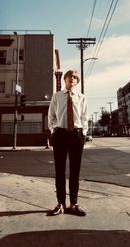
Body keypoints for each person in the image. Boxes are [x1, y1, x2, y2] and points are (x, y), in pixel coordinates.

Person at [48, 70, 88, 216]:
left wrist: (83, 133)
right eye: (69, 76)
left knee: (75, 171)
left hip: (76, 135)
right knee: (60, 171)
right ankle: (61, 204)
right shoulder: (57, 96)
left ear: (77, 81)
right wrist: (54, 130)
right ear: (64, 79)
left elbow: (84, 117)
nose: (72, 78)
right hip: (60, 134)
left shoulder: (81, 97)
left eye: (75, 77)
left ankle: (74, 204)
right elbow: (51, 115)